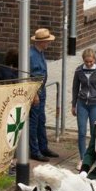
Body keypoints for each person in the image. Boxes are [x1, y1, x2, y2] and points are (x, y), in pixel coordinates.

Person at [71, 48, 96, 161]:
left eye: (91, 61)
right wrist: (74, 105)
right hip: (82, 104)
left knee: (94, 132)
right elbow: (75, 88)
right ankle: (82, 159)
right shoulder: (79, 71)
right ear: (83, 60)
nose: (88, 63)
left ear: (94, 60)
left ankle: (93, 157)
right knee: (82, 132)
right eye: (86, 61)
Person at [29, 28, 60, 162]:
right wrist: (34, 94)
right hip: (35, 91)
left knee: (41, 120)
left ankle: (43, 147)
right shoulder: (31, 55)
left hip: (42, 90)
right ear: (42, 42)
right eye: (47, 41)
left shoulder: (40, 53)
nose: (49, 43)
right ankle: (34, 150)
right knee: (34, 121)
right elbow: (28, 76)